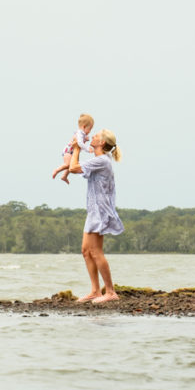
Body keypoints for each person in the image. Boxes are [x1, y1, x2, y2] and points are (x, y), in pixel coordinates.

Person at [68, 128, 124, 303]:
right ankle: (95, 291)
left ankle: (110, 292)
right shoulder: (97, 160)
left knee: (95, 251)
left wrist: (77, 148)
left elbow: (74, 168)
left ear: (102, 142)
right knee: (86, 251)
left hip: (100, 210)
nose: (93, 136)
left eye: (96, 136)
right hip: (93, 210)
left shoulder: (102, 161)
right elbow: (72, 167)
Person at [51, 113, 94, 183]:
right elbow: (79, 143)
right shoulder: (80, 133)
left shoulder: (82, 134)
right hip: (68, 151)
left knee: (71, 165)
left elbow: (80, 143)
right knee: (67, 164)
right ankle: (56, 170)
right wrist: (87, 149)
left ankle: (64, 176)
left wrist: (85, 140)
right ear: (84, 126)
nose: (90, 132)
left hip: (72, 152)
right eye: (90, 129)